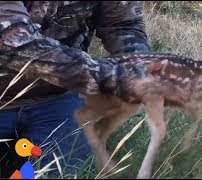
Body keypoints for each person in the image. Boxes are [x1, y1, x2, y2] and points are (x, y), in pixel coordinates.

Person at [0, 1, 150, 177]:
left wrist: (138, 69)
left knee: (68, 172)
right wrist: (110, 77)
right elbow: (14, 41)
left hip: (58, 95)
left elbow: (123, 23)